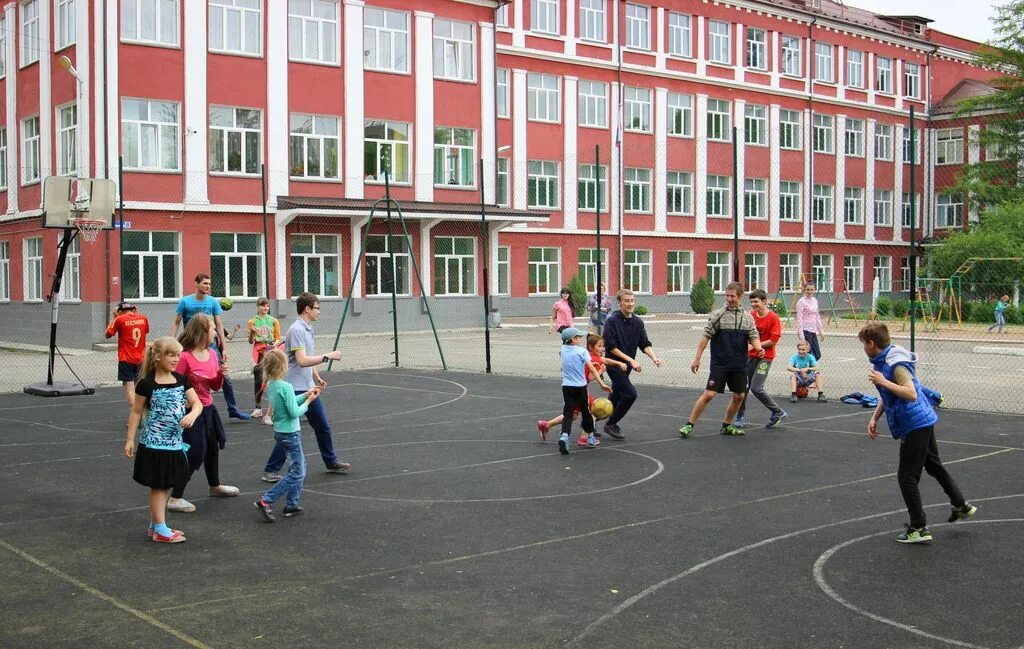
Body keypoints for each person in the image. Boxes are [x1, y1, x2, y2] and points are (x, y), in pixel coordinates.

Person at [860, 322, 977, 543]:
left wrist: (883, 381)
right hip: (921, 420)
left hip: (914, 423)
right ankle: (961, 505)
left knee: (907, 476)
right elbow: (887, 394)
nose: (863, 348)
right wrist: (875, 417)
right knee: (933, 465)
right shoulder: (883, 361)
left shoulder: (895, 366)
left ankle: (918, 528)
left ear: (871, 343)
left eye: (863, 344)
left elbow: (911, 393)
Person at [262, 292, 351, 482]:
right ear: (307, 309)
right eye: (317, 308)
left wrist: (316, 376)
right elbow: (301, 361)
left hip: (307, 386)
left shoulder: (308, 329)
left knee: (322, 426)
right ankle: (271, 469)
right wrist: (328, 356)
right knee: (289, 431)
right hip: (294, 387)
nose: (319, 311)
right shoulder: (297, 330)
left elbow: (306, 358)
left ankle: (331, 461)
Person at [125, 336, 203, 543]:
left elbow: (197, 404)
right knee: (159, 485)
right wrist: (130, 439)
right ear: (157, 357)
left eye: (178, 355)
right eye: (171, 355)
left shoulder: (181, 380)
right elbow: (135, 412)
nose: (176, 359)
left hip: (174, 443)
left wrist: (191, 415)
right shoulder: (147, 384)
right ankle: (160, 529)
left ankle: (156, 524)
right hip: (154, 443)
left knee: (168, 483)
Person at [168, 314, 240, 513]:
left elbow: (214, 386)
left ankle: (214, 486)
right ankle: (175, 497)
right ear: (202, 332)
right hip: (191, 411)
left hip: (207, 408)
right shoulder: (184, 357)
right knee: (195, 451)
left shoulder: (212, 355)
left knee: (212, 448)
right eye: (212, 329)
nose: (216, 332)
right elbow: (175, 383)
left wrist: (221, 374)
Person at [680, 282, 763, 438]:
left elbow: (754, 336)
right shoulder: (718, 315)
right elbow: (705, 337)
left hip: (739, 364)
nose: (729, 299)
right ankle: (689, 425)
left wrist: (759, 348)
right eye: (727, 295)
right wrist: (697, 359)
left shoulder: (748, 318)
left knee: (739, 396)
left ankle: (726, 425)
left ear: (740, 296)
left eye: (732, 296)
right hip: (720, 364)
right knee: (709, 395)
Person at [170, 273, 250, 421]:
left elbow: (218, 325)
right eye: (205, 283)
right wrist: (171, 341)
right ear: (196, 284)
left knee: (225, 377)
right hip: (190, 344)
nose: (208, 286)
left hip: (210, 345)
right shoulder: (185, 302)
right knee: (182, 376)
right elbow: (176, 322)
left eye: (209, 284)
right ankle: (181, 406)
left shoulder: (213, 302)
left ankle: (233, 409)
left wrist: (223, 348)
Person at [254, 349, 319, 522]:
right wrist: (308, 402)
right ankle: (266, 500)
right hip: (291, 434)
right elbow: (294, 412)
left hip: (281, 432)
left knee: (299, 467)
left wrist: (304, 395)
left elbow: (287, 404)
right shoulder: (286, 386)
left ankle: (292, 504)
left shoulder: (272, 385)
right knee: (298, 472)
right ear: (283, 366)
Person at [537, 333, 626, 445]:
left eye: (603, 346)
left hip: (571, 387)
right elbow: (590, 377)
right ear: (590, 347)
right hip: (581, 389)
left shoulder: (589, 355)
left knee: (572, 416)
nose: (602, 348)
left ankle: (546, 425)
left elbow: (606, 360)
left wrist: (619, 363)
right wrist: (601, 371)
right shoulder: (595, 361)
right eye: (599, 346)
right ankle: (584, 437)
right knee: (593, 411)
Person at [601, 289, 662, 440]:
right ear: (619, 302)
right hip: (614, 365)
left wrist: (654, 357)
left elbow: (644, 344)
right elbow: (611, 347)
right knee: (630, 394)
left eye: (632, 301)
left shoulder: (637, 322)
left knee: (614, 397)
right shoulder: (611, 321)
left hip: (627, 367)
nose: (630, 304)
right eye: (626, 301)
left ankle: (589, 424)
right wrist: (630, 360)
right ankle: (611, 424)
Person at [736, 289, 787, 429]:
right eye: (751, 301)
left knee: (756, 387)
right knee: (743, 388)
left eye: (756, 301)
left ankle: (777, 411)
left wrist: (755, 346)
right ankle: (739, 416)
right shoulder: (751, 316)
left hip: (765, 358)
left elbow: (773, 340)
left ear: (764, 301)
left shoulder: (773, 318)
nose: (753, 304)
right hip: (750, 357)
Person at [554, 328, 601, 454]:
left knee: (568, 412)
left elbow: (567, 345)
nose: (581, 339)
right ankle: (590, 436)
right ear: (573, 339)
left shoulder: (563, 350)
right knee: (586, 411)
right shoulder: (582, 351)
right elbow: (592, 369)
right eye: (578, 337)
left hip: (567, 387)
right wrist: (602, 383)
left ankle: (564, 435)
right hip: (580, 387)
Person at [105, 301, 150, 412]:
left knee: (130, 390)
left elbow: (107, 334)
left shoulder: (120, 319)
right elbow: (146, 331)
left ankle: (136, 415)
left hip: (126, 359)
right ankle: (144, 414)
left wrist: (114, 317)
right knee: (141, 388)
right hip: (141, 359)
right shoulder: (143, 318)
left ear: (120, 311)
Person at [248, 297, 282, 425]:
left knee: (272, 379)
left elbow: (278, 337)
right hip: (258, 351)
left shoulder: (274, 321)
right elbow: (251, 341)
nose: (265, 308)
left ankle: (273, 409)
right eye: (262, 306)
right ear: (257, 307)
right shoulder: (252, 322)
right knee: (258, 380)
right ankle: (258, 408)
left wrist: (274, 345)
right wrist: (252, 332)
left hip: (270, 350)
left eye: (267, 306)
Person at [795, 283, 825, 362]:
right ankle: (806, 371)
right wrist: (801, 336)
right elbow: (799, 319)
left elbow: (817, 316)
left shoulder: (815, 300)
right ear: (804, 290)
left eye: (811, 289)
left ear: (814, 290)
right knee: (808, 354)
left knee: (817, 354)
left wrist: (821, 331)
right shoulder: (801, 302)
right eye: (807, 289)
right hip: (805, 330)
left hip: (812, 330)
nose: (809, 291)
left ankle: (808, 369)